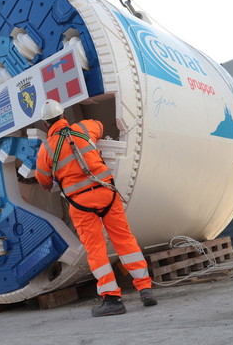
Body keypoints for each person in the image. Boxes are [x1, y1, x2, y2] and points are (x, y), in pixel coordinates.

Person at [35, 99, 157, 317]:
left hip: (80, 204)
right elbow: (99, 126)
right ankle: (145, 288)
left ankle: (112, 300)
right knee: (124, 240)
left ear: (45, 125)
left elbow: (43, 180)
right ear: (63, 117)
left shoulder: (46, 148)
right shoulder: (83, 128)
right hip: (106, 194)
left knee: (96, 250)